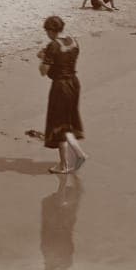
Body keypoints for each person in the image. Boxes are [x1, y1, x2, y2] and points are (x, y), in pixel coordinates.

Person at [38, 15, 88, 174]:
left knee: (58, 125)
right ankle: (76, 156)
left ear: (52, 31)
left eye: (47, 31)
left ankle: (67, 163)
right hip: (74, 83)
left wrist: (42, 58)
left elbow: (43, 72)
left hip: (61, 87)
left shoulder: (53, 45)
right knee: (67, 123)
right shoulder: (73, 41)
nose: (47, 34)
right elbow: (67, 60)